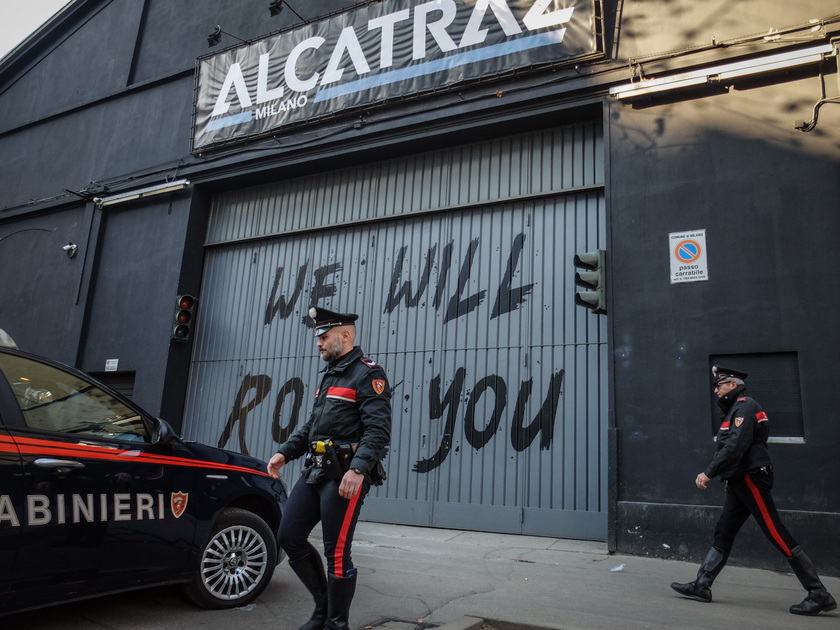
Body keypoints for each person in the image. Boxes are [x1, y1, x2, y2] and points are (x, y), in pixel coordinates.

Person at [670, 365, 836, 616]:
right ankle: (702, 585)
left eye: (720, 385)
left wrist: (709, 472)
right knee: (723, 532)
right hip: (738, 482)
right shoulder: (734, 410)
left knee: (775, 532)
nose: (716, 390)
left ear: (733, 385)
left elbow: (735, 446)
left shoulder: (744, 407)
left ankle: (818, 593)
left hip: (750, 479)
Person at [267, 306, 391, 630]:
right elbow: (313, 424)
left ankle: (337, 624)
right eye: (318, 337)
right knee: (289, 535)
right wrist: (285, 453)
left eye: (324, 337)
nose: (318, 343)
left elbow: (378, 431)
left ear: (345, 336)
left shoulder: (368, 374)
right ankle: (322, 610)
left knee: (336, 553)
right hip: (317, 470)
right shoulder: (332, 373)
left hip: (346, 478)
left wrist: (359, 469)